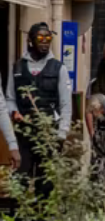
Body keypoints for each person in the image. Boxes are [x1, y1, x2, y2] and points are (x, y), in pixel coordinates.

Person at [6, 23, 72, 201]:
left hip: (48, 134)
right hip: (24, 134)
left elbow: (66, 105)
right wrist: (13, 112)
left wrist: (61, 135)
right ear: (30, 41)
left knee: (46, 185)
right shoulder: (17, 68)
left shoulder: (59, 69)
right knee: (20, 181)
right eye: (40, 38)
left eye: (48, 39)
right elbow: (10, 98)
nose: (45, 43)